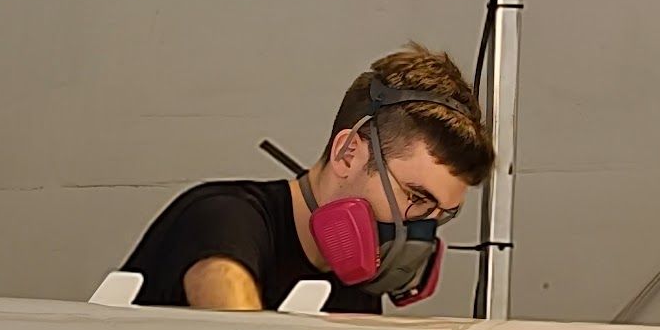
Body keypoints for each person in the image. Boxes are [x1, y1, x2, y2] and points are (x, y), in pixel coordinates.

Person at [122, 45, 495, 313]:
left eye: (441, 213)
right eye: (416, 197)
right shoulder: (223, 222)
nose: (421, 227)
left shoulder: (354, 289)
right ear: (348, 153)